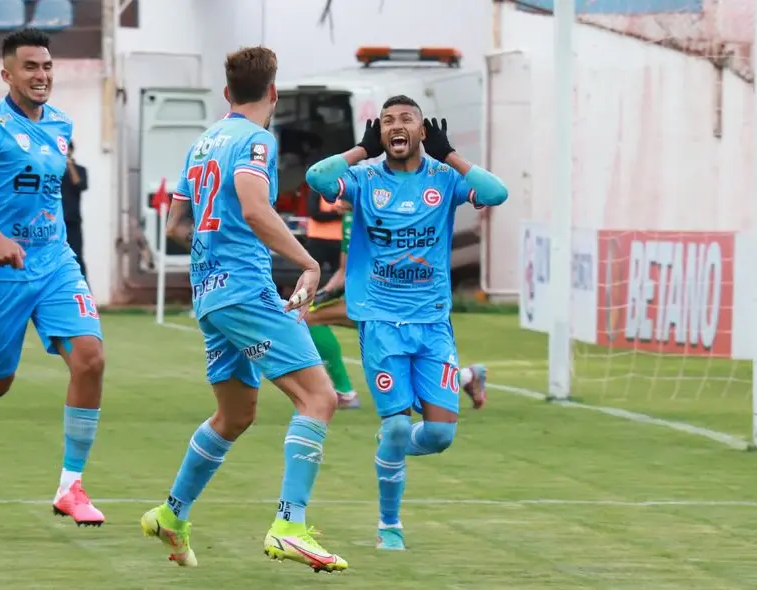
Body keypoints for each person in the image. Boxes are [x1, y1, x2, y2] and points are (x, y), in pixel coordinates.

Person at [141, 46, 347, 573]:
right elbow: (254, 207)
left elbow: (175, 226)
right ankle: (289, 525)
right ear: (273, 93)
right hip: (243, 291)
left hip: (210, 295)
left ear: (227, 94)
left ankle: (171, 513)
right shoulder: (257, 141)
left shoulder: (203, 143)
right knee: (319, 398)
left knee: (235, 415)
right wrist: (307, 261)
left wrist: (214, 251)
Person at [305, 95, 509, 550]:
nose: (397, 127)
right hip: (380, 322)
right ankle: (389, 525)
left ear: (422, 131)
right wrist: (359, 149)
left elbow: (496, 193)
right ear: (380, 134)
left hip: (433, 323)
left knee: (438, 436)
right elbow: (317, 177)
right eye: (388, 122)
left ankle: (394, 443)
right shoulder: (363, 179)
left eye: (407, 120)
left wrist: (450, 154)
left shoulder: (443, 179)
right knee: (398, 425)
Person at [0, 28, 106, 526]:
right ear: (7, 74)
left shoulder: (61, 123)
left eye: (47, 66)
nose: (42, 75)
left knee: (90, 359)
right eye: (30, 67)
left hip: (54, 262)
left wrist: (42, 241)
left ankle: (71, 486)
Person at [307, 206, 489, 411]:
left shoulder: (384, 214)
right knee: (310, 316)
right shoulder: (351, 219)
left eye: (340, 193)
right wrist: (323, 293)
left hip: (388, 299)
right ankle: (466, 377)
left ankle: (346, 393)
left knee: (310, 318)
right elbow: (345, 270)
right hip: (368, 299)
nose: (336, 202)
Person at [61, 140, 89, 283]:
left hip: (73, 221)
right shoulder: (54, 170)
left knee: (77, 256)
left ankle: (84, 292)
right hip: (55, 222)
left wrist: (70, 165)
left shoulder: (80, 170)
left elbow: (80, 185)